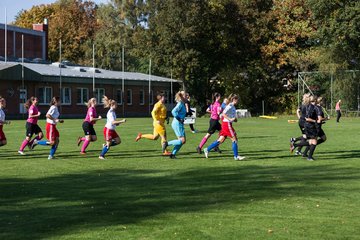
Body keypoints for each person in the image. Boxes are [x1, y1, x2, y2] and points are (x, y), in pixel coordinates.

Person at [204, 94, 246, 161]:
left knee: (221, 140)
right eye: (237, 100)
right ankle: (236, 156)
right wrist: (230, 119)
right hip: (227, 124)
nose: (238, 101)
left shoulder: (233, 107)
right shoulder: (229, 106)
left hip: (227, 124)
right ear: (234, 100)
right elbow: (223, 114)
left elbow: (233, 118)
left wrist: (234, 119)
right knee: (234, 139)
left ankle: (207, 149)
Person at [164, 91, 187, 159]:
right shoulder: (180, 104)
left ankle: (172, 155)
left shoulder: (182, 104)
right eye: (186, 96)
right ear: (182, 97)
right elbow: (173, 111)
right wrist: (179, 119)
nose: (187, 97)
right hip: (177, 123)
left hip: (178, 123)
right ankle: (166, 144)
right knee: (182, 140)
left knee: (182, 141)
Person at [303, 95, 318, 161]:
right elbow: (307, 118)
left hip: (308, 125)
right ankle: (309, 157)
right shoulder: (311, 107)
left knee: (311, 141)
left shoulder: (307, 106)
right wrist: (315, 121)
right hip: (310, 126)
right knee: (314, 141)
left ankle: (308, 156)